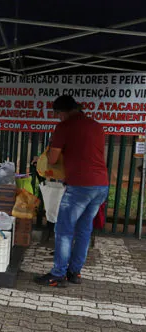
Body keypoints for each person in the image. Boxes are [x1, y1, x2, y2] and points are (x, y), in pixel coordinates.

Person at [35, 95, 109, 287]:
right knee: (84, 229)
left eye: (58, 114)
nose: (58, 118)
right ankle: (74, 272)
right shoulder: (96, 125)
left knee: (64, 230)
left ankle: (58, 274)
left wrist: (45, 155)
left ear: (63, 112)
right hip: (101, 185)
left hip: (80, 186)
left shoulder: (64, 127)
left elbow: (52, 159)